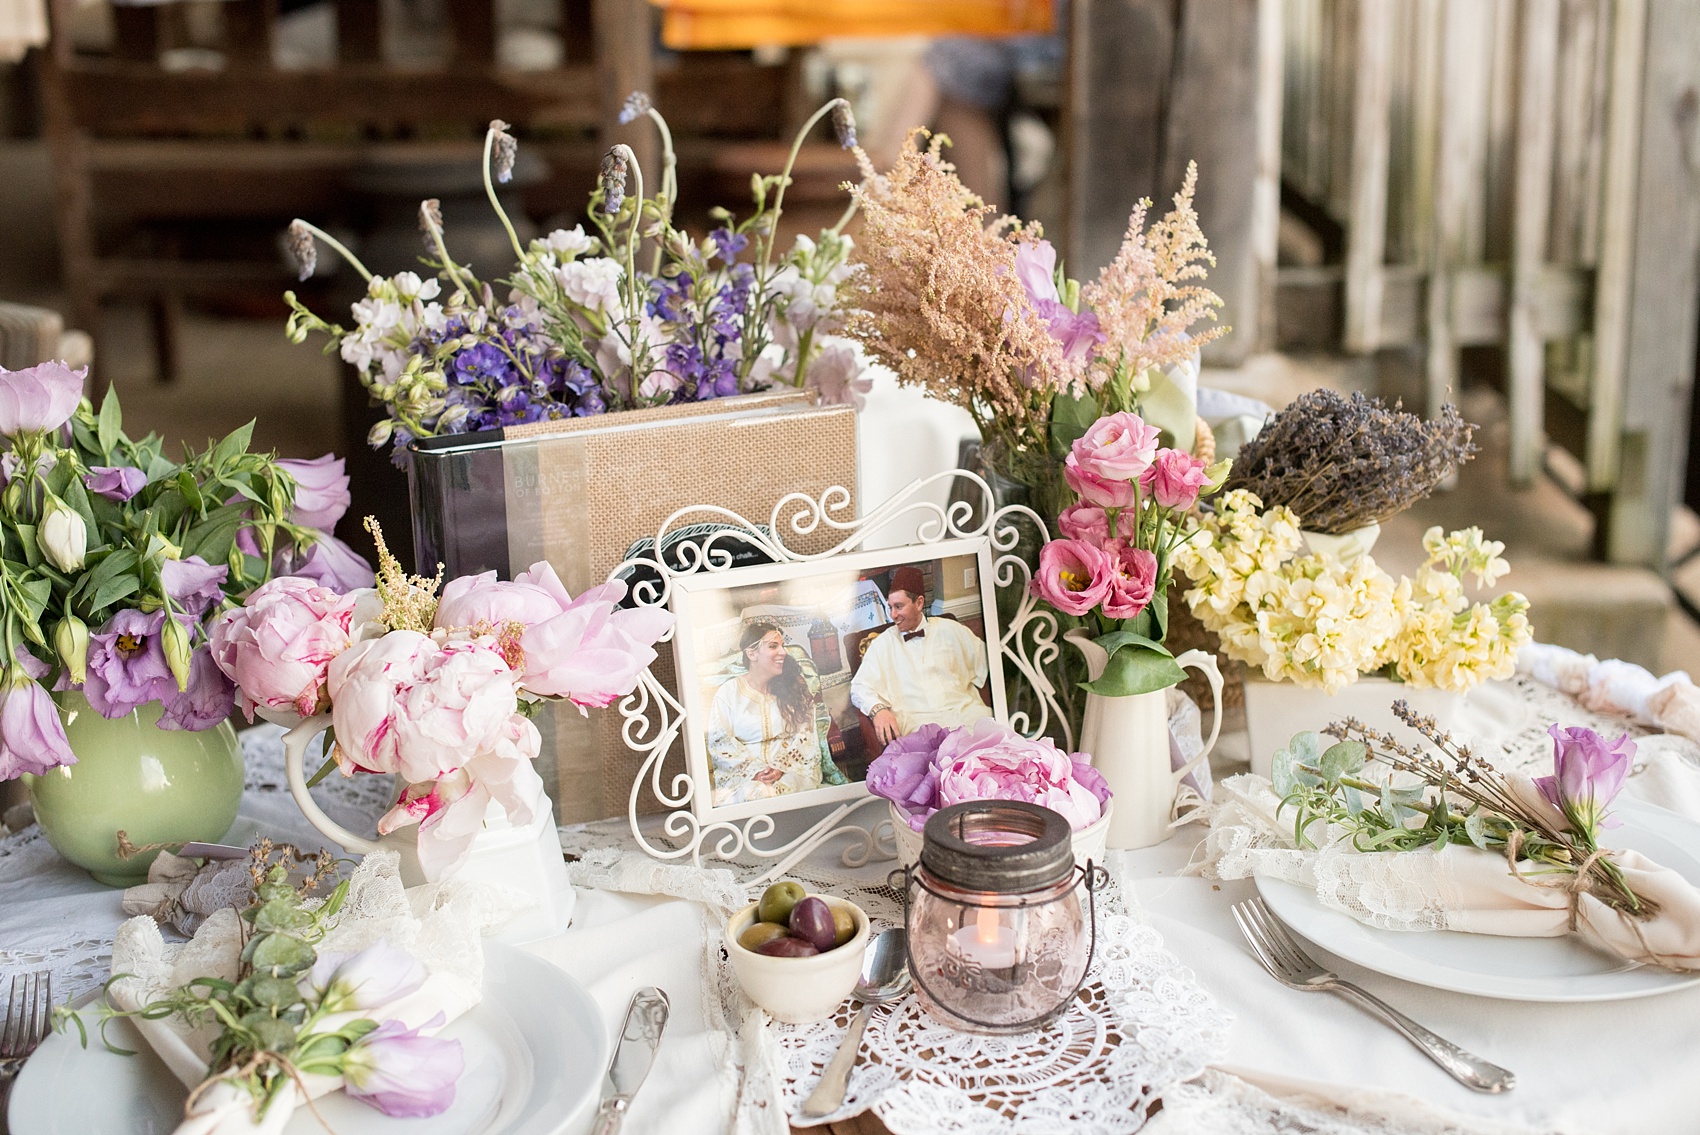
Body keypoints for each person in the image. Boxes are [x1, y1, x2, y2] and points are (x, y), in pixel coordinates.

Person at [850, 566, 994, 746]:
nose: (893, 615)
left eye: (899, 606)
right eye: (890, 607)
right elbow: (859, 687)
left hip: (966, 715)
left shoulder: (951, 630)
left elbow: (991, 661)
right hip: (920, 728)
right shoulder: (882, 644)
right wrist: (878, 711)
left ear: (919, 603)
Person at [707, 622, 827, 805]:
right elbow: (720, 741)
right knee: (754, 794)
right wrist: (754, 770)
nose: (783, 652)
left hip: (792, 771)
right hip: (745, 776)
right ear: (752, 653)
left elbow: (806, 733)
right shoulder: (728, 693)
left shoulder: (795, 686)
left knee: (780, 792)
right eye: (773, 646)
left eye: (782, 646)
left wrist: (781, 767)